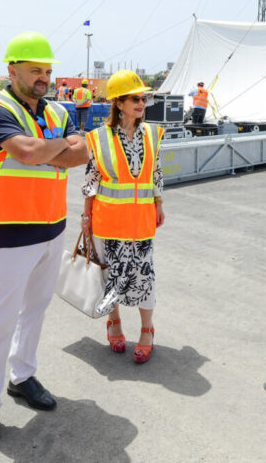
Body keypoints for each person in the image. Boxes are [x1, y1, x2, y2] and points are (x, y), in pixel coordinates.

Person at [0, 32, 88, 463]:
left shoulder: (56, 108)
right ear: (11, 69)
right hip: (13, 231)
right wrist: (58, 148)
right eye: (35, 70)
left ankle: (23, 376)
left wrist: (53, 150)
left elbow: (82, 153)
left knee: (35, 311)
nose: (44, 78)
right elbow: (29, 152)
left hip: (52, 229)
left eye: (48, 71)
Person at [81, 70, 165, 364]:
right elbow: (91, 181)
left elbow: (155, 173)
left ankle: (146, 331)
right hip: (107, 221)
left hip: (141, 223)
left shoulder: (153, 134)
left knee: (144, 277)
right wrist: (85, 217)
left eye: (143, 98)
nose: (141, 103)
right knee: (110, 275)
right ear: (118, 103)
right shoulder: (96, 138)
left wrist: (158, 202)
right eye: (134, 98)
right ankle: (114, 323)